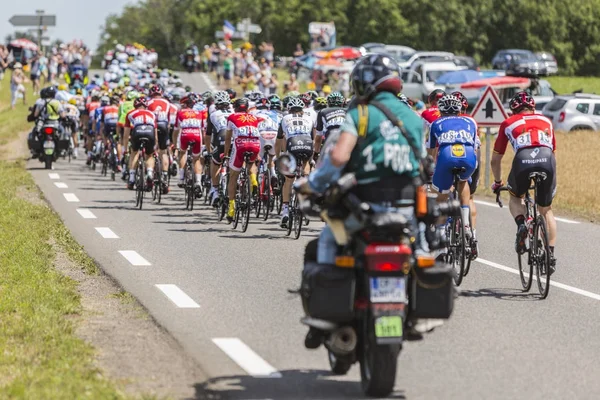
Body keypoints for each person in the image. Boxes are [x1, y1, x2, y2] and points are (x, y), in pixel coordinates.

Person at [294, 54, 427, 346]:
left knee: (327, 241)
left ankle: (324, 318)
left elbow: (338, 158)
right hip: (406, 211)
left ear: (364, 82)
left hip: (365, 210)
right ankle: (416, 313)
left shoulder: (361, 114)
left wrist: (310, 184)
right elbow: (422, 165)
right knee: (420, 253)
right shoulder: (413, 118)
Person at [491, 92, 557, 271]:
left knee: (515, 197)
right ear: (533, 107)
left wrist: (498, 182)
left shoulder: (508, 123)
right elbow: (553, 151)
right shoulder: (546, 121)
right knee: (546, 210)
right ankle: (550, 255)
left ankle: (521, 225)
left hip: (523, 160)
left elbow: (496, 159)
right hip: (546, 159)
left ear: (513, 111)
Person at [428, 94, 478, 240]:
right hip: (468, 156)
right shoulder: (470, 122)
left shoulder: (436, 123)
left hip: (446, 156)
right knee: (463, 181)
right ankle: (467, 224)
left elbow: (431, 152)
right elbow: (475, 147)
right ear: (459, 110)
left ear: (440, 110)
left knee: (440, 198)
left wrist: (430, 171)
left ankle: (441, 233)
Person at [276, 96, 314, 228]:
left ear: (289, 109)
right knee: (306, 170)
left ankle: (285, 210)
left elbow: (280, 139)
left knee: (288, 179)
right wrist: (311, 158)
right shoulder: (309, 119)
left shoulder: (285, 118)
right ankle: (306, 198)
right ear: (302, 110)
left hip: (292, 145)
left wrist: (278, 155)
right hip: (307, 145)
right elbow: (313, 139)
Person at [223, 98, 263, 222]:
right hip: (255, 144)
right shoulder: (254, 117)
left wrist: (225, 154)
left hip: (240, 143)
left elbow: (228, 138)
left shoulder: (231, 117)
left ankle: (231, 207)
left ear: (235, 107)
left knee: (233, 175)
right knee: (251, 163)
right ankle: (254, 180)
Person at [206, 91, 233, 205]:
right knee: (234, 166)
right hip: (234, 141)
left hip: (221, 140)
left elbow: (208, 135)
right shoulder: (234, 113)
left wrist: (209, 151)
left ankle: (215, 190)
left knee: (215, 162)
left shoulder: (213, 114)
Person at [124, 97, 158, 190]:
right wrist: (155, 146)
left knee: (134, 153)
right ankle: (150, 173)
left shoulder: (130, 113)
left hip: (137, 131)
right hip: (150, 131)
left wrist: (125, 148)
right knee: (150, 155)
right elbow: (155, 133)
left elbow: (126, 134)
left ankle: (131, 179)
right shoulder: (152, 114)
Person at [175, 94, 204, 193]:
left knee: (183, 153)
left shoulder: (180, 113)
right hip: (197, 135)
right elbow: (203, 130)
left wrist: (175, 144)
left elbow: (176, 130)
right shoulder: (199, 113)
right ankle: (198, 182)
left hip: (185, 134)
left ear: (184, 104)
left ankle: (181, 177)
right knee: (197, 159)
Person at [147, 84, 173, 194]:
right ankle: (165, 176)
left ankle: (149, 172)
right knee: (163, 152)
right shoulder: (167, 103)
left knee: (151, 153)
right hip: (163, 125)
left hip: (152, 126)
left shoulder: (148, 103)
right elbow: (169, 120)